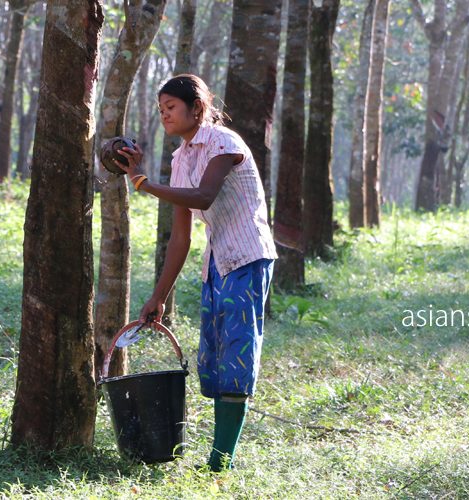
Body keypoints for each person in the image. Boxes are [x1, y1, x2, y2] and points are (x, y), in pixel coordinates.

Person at [115, 74, 277, 472]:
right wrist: (159, 296)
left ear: (196, 107)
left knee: (237, 355)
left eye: (171, 107)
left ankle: (221, 463)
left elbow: (204, 196)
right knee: (216, 360)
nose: (165, 115)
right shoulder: (181, 157)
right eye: (161, 110)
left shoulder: (224, 143)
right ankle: (219, 459)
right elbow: (180, 238)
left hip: (248, 257)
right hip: (216, 264)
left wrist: (142, 183)